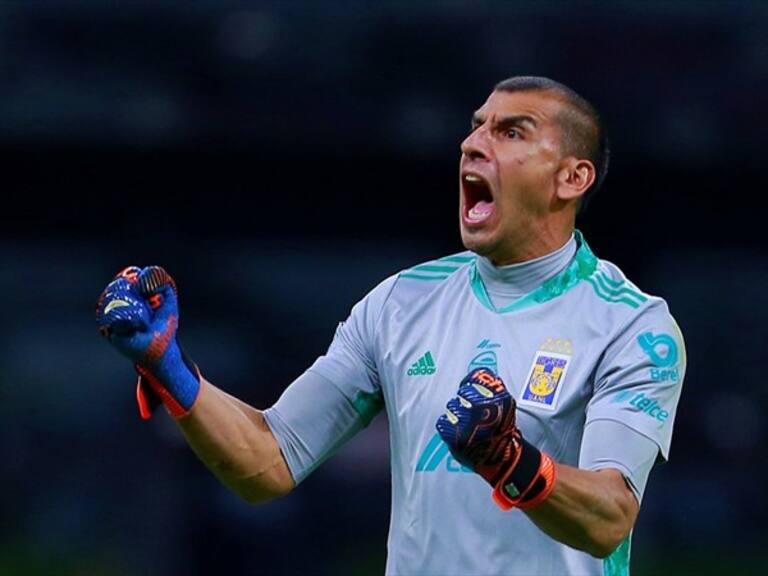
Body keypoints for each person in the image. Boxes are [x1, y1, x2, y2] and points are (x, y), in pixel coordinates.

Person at [96, 76, 686, 575]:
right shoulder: (402, 302)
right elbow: (270, 460)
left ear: (571, 178)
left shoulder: (630, 324)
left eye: (511, 132)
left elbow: (609, 518)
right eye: (477, 126)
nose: (472, 143)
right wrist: (166, 368)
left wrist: (512, 461)